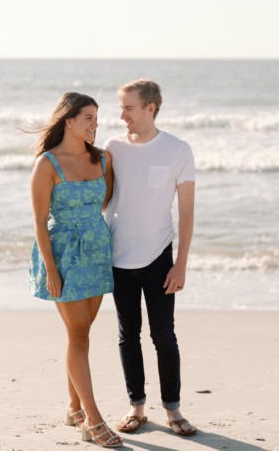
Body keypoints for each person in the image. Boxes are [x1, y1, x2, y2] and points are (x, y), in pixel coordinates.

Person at [29, 92, 123, 448]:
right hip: (64, 257)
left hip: (97, 253)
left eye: (97, 118)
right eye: (89, 118)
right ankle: (93, 420)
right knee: (79, 335)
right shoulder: (47, 164)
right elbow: (39, 222)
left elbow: (104, 200)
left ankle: (73, 407)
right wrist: (52, 270)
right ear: (69, 120)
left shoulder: (102, 159)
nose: (95, 124)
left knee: (80, 335)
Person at [104, 79, 197, 437]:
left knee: (164, 335)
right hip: (118, 258)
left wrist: (181, 263)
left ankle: (173, 411)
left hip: (160, 257)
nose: (121, 114)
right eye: (121, 107)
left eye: (128, 107)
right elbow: (104, 196)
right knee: (128, 335)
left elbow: (187, 212)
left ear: (149, 108)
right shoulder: (112, 148)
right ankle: (137, 408)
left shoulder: (177, 149)